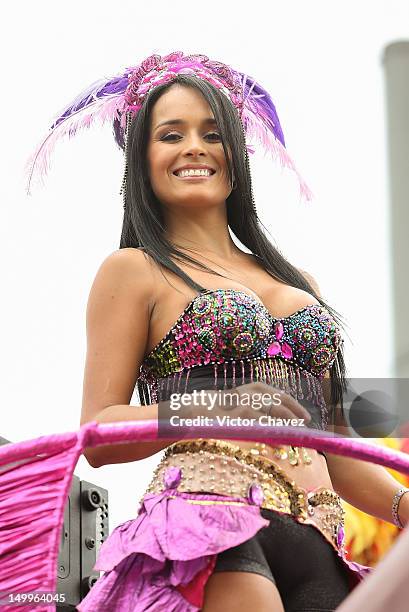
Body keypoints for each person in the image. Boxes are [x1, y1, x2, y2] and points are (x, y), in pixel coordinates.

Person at [27, 52, 409, 612]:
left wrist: (403, 503)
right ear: (143, 158)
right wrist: (225, 405)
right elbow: (99, 430)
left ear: (237, 153)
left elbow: (335, 438)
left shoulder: (299, 280)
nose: (193, 147)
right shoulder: (133, 270)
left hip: (321, 541)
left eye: (212, 132)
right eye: (170, 134)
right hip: (210, 521)